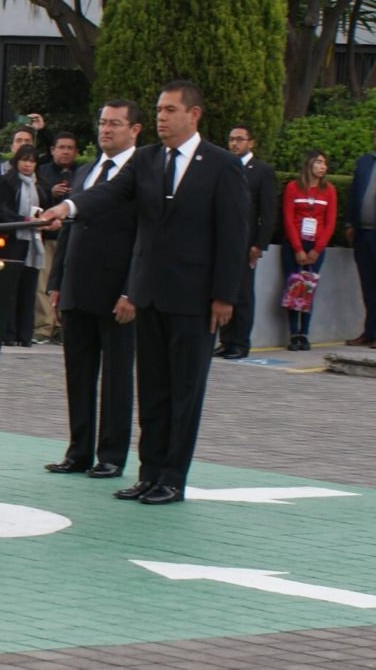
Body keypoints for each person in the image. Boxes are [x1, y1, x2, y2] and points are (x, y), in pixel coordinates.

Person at [42, 80, 248, 505]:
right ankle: (149, 472)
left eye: (170, 110)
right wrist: (68, 208)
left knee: (184, 391)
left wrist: (225, 295)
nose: (161, 117)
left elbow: (233, 234)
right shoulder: (148, 160)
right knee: (152, 388)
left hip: (195, 298)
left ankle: (173, 476)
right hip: (150, 292)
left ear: (194, 115)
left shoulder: (221, 165)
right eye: (158, 109)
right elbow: (109, 193)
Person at [44, 101, 140, 478]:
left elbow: (144, 238)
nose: (106, 130)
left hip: (116, 292)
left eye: (115, 123)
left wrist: (132, 290)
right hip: (77, 289)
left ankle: (111, 456)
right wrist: (56, 283)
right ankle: (78, 451)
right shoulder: (86, 171)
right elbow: (71, 229)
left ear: (135, 130)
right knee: (78, 374)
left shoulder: (140, 174)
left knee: (116, 378)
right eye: (102, 122)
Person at [214, 123, 277, 359]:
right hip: (223, 241)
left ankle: (241, 342)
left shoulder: (261, 171)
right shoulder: (224, 167)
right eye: (231, 139)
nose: (234, 144)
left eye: (240, 139)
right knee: (224, 290)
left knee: (242, 293)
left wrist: (259, 244)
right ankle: (226, 340)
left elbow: (268, 212)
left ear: (250, 142)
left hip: (246, 242)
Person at [0, 145, 48, 346]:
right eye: (24, 160)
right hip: (13, 239)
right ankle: (8, 334)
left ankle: (24, 336)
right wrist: (23, 219)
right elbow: (1, 209)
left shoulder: (40, 184)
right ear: (16, 161)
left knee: (29, 287)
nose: (27, 164)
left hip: (33, 242)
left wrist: (40, 219)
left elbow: (47, 207)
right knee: (11, 288)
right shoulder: (6, 181)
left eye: (32, 161)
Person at [281, 149, 337, 351]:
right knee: (294, 287)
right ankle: (293, 333)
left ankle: (304, 333)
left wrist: (317, 249)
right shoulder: (293, 188)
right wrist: (297, 248)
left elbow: (330, 223)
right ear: (309, 163)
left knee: (308, 288)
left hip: (316, 246)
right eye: (319, 162)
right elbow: (288, 218)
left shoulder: (329, 190)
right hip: (294, 245)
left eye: (325, 163)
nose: (323, 166)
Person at [33, 132, 80, 344]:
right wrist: (50, 191)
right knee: (44, 284)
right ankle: (44, 327)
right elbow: (35, 199)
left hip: (71, 238)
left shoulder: (82, 173)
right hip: (46, 236)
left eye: (70, 148)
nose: (65, 152)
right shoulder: (42, 171)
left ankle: (63, 327)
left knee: (67, 282)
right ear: (52, 150)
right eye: (61, 147)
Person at [345, 132, 376, 347]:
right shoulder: (365, 162)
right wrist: (349, 223)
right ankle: (369, 331)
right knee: (367, 285)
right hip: (363, 234)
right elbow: (354, 193)